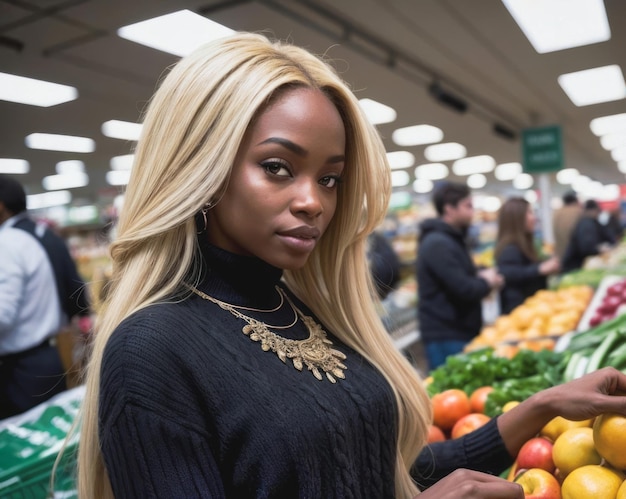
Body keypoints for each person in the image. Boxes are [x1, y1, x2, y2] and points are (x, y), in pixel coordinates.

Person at [73, 33, 626, 499]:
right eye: (277, 167)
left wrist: (543, 406)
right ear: (201, 167)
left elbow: (378, 472)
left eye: (330, 178)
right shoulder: (151, 352)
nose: (314, 201)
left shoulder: (299, 308)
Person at [0, 175, 90, 419]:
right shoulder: (45, 233)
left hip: (22, 369)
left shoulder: (6, 243)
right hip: (53, 353)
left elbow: (3, 315)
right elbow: (76, 286)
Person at [416, 181, 504, 371]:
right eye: (468, 206)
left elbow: (459, 274)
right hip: (446, 334)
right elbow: (464, 288)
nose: (473, 211)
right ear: (449, 209)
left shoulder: (450, 239)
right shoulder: (438, 243)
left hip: (458, 330)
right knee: (450, 392)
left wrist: (480, 273)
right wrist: (487, 281)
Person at [495, 197, 560, 314]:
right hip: (521, 313)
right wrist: (540, 269)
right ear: (517, 218)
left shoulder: (523, 244)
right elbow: (509, 273)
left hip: (531, 310)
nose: (534, 218)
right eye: (529, 213)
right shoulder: (510, 248)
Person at [561, 199, 614, 273]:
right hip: (574, 267)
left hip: (575, 265)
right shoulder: (586, 224)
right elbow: (586, 247)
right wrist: (599, 249)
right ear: (594, 210)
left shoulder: (588, 222)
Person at [552, 190, 581, 260]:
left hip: (559, 255)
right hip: (575, 257)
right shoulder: (578, 212)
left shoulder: (556, 213)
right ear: (576, 200)